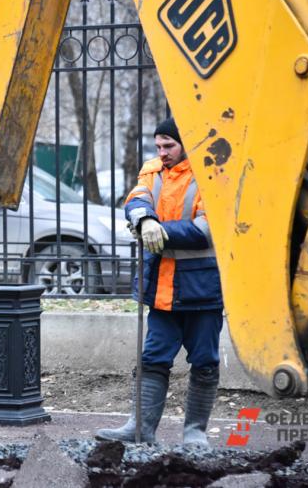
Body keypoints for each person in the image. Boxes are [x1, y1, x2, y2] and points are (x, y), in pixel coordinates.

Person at [96, 117, 223, 446]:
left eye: (169, 146)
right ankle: (141, 429)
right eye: (159, 146)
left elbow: (206, 229)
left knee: (205, 361)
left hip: (202, 291)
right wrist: (146, 218)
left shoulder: (210, 173)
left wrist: (159, 231)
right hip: (163, 290)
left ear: (186, 144)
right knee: (153, 359)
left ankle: (195, 433)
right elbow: (135, 201)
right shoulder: (151, 171)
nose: (162, 152)